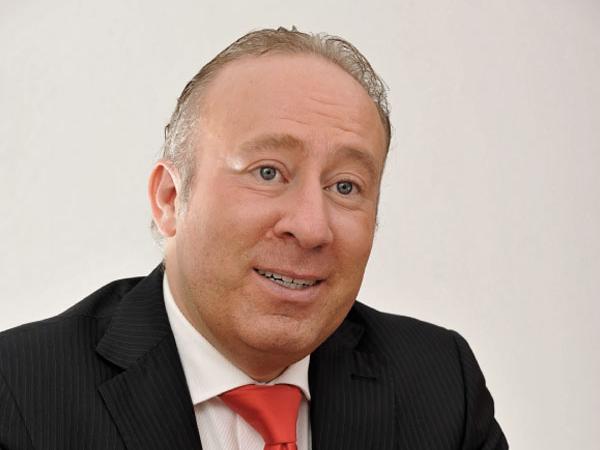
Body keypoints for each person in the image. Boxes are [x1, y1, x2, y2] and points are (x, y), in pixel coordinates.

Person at [0, 27, 508, 449]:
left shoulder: (441, 385)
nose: (311, 227)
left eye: (345, 186)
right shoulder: (19, 393)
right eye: (268, 172)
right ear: (170, 198)